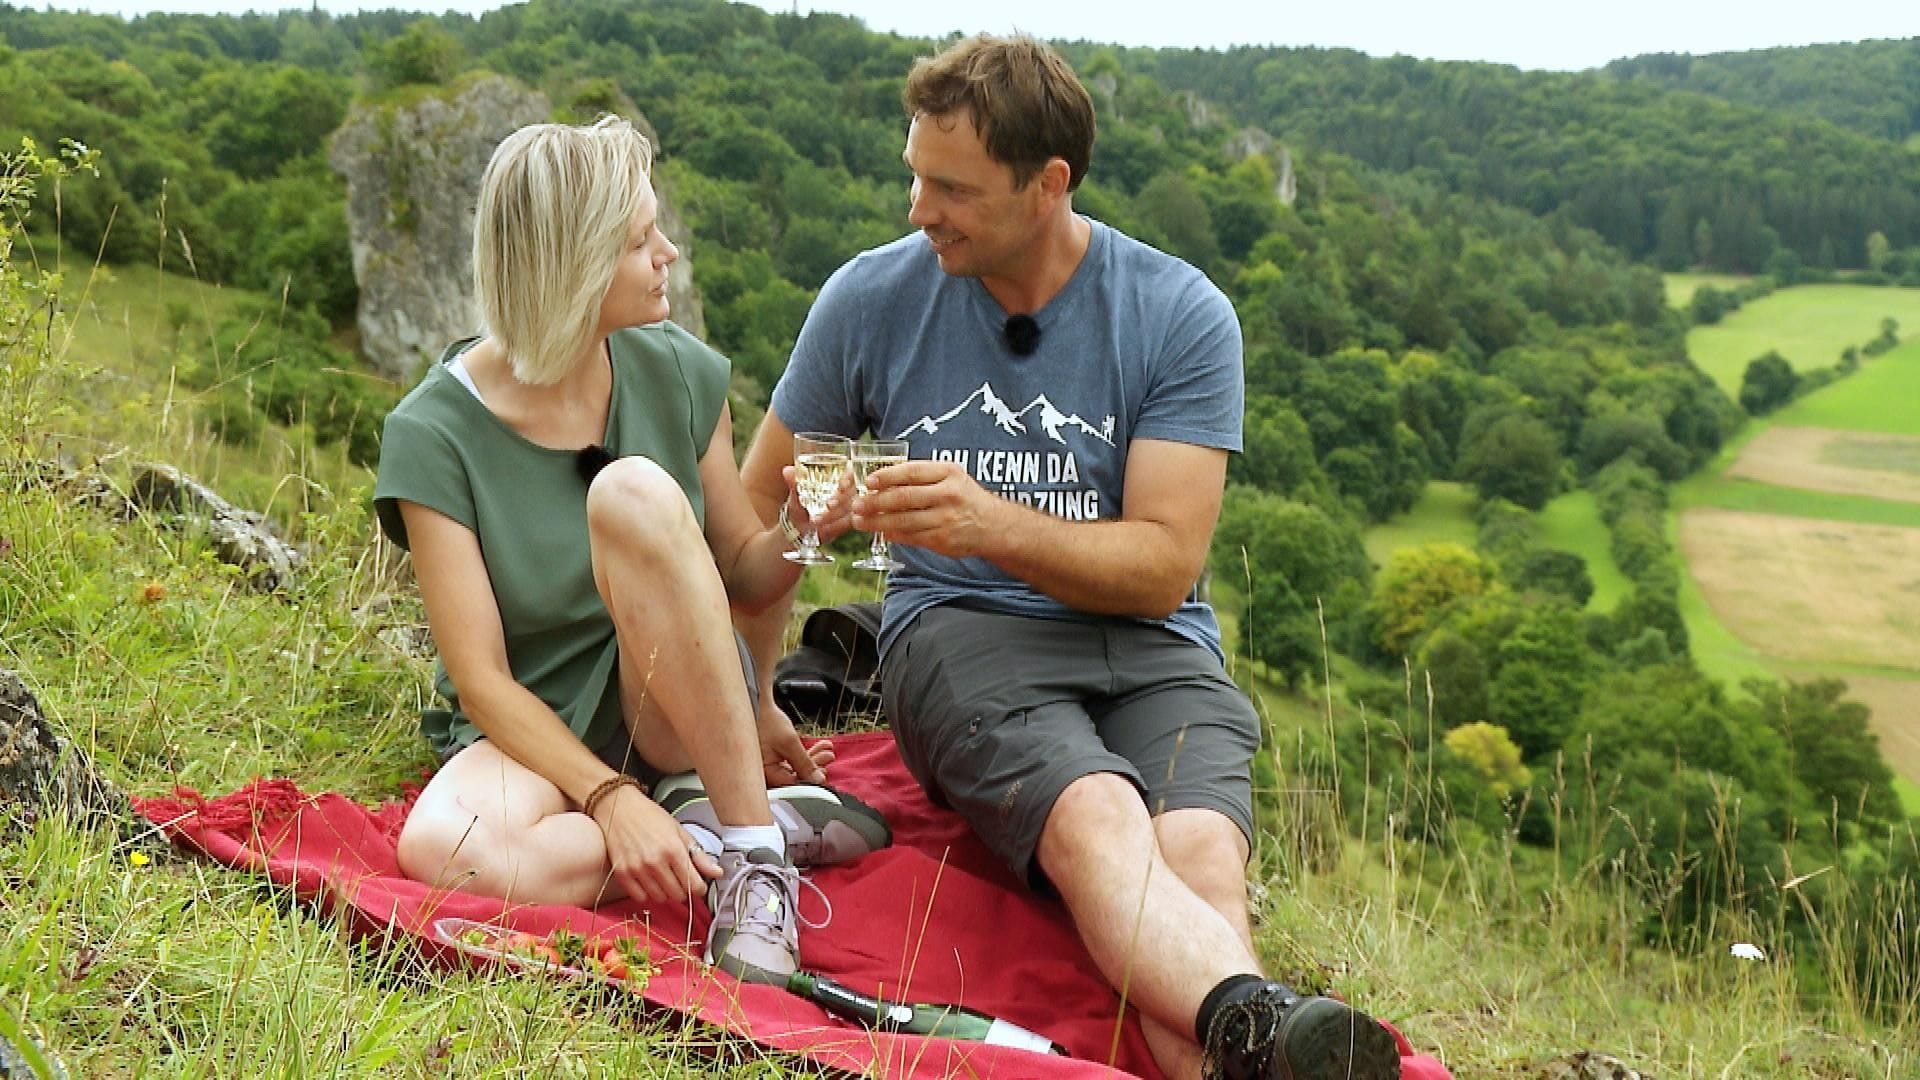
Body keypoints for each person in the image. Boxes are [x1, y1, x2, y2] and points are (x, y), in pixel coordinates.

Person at [739, 35, 1401, 1080]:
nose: (919, 210)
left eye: (952, 188)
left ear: (1050, 184)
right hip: (960, 638)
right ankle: (1258, 1017)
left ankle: (1247, 1035)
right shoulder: (868, 300)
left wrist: (986, 520)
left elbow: (1161, 570)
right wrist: (766, 663)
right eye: (915, 174)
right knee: (1098, 815)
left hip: (1152, 643)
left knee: (1199, 861)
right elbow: (756, 525)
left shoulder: (1180, 313)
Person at [372, 116, 889, 986]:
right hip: (537, 723)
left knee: (631, 490)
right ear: (572, 264)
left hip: (669, 704)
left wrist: (802, 529)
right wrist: (609, 800)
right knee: (442, 849)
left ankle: (756, 863)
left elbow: (747, 580)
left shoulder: (678, 371)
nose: (670, 252)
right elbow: (486, 681)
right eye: (641, 240)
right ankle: (705, 825)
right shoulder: (433, 433)